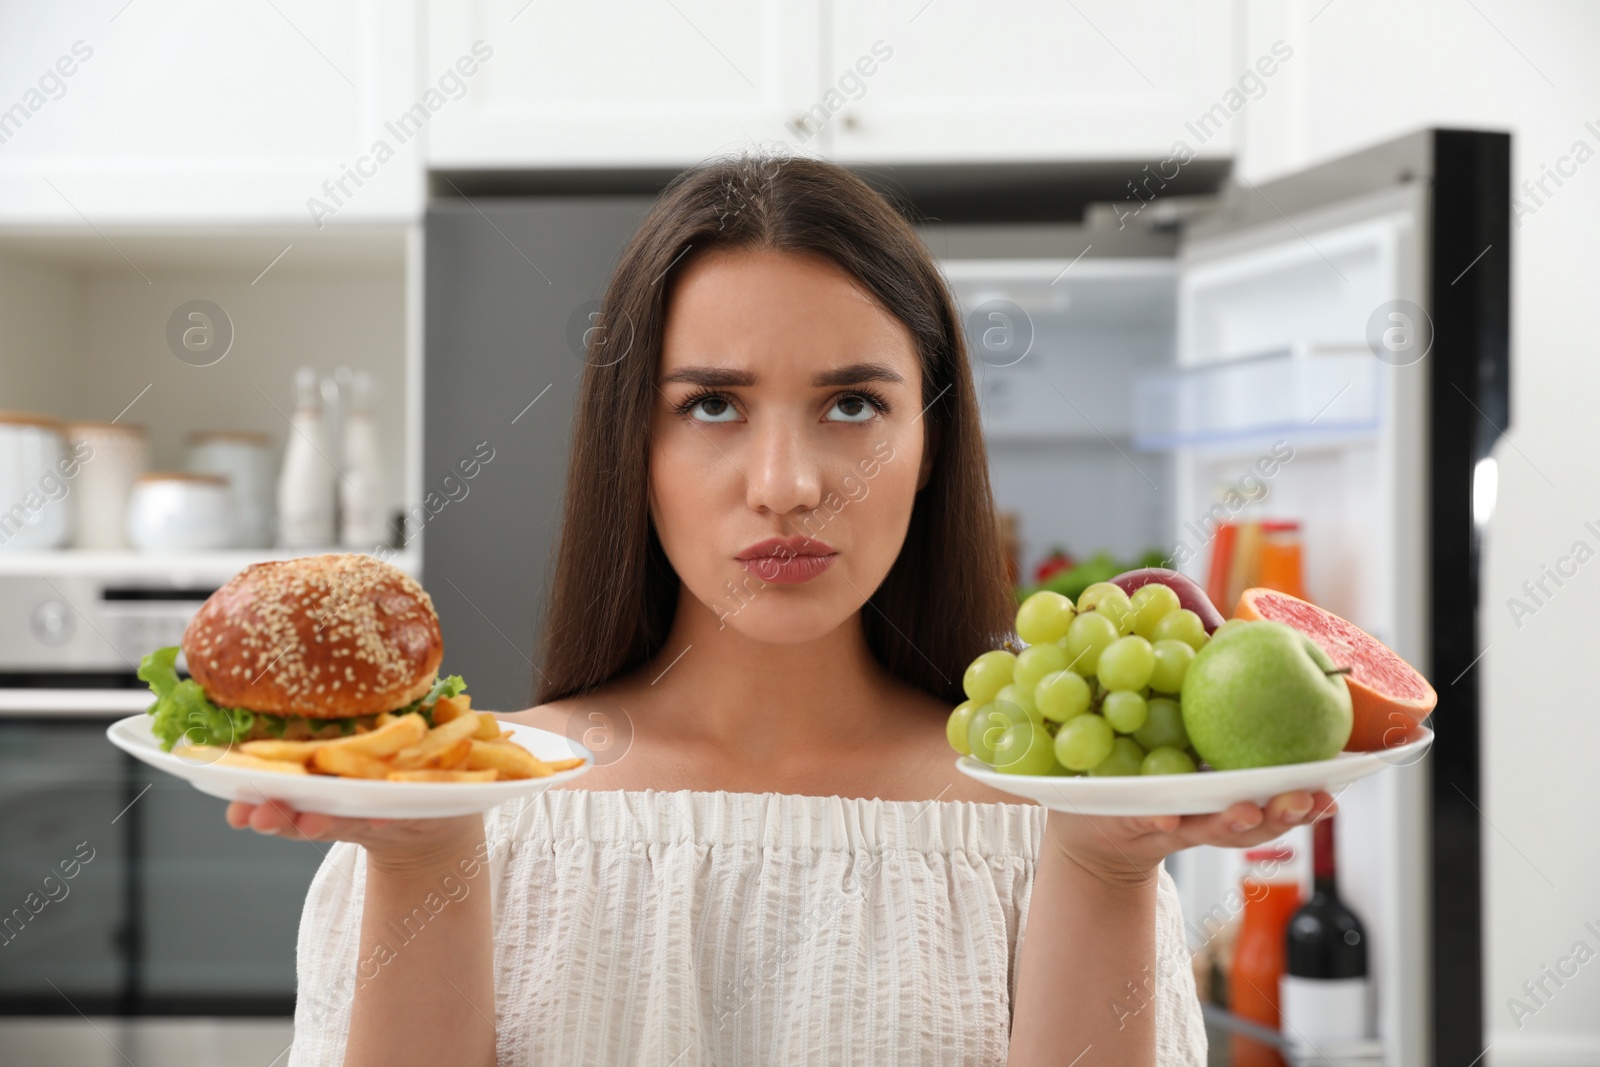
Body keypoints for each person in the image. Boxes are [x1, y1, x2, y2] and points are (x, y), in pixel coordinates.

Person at [229, 151, 1336, 1066]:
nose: (787, 482)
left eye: (852, 403)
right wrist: (424, 865)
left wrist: (1099, 872)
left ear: (931, 443)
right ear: (634, 446)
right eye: (711, 403)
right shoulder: (457, 813)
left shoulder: (1062, 830)